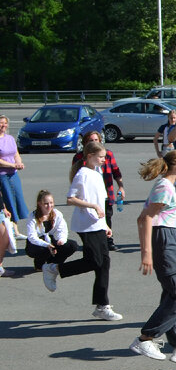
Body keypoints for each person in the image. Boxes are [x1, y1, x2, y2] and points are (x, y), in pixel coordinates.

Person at [129, 150, 176, 368]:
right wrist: (146, 252)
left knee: (173, 294)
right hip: (163, 239)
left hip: (166, 237)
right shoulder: (164, 187)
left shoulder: (166, 186)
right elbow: (145, 218)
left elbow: (141, 217)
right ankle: (146, 338)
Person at [43, 142, 121, 320]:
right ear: (90, 156)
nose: (103, 160)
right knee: (94, 261)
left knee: (104, 263)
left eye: (104, 157)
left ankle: (102, 305)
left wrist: (105, 224)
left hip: (97, 224)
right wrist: (92, 206)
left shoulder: (96, 173)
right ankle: (54, 268)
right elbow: (71, 198)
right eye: (101, 157)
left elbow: (100, 201)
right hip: (86, 224)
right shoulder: (83, 174)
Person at [70, 130, 124, 251]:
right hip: (89, 197)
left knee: (107, 216)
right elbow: (75, 181)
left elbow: (116, 171)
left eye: (96, 140)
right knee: (92, 218)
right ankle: (93, 243)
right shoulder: (80, 160)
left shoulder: (107, 154)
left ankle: (108, 240)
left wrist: (121, 186)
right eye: (91, 140)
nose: (94, 142)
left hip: (106, 193)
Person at [22, 190, 75, 272]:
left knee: (72, 245)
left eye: (51, 203)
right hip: (37, 243)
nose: (49, 206)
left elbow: (62, 230)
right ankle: (39, 265)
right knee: (44, 249)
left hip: (52, 239)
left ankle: (54, 263)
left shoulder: (57, 214)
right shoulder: (33, 216)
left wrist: (61, 240)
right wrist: (47, 245)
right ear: (40, 204)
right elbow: (32, 237)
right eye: (46, 203)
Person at [0, 116, 29, 222]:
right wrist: (12, 165)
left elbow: (15, 153)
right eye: (1, 123)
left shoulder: (10, 138)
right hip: (2, 175)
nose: (3, 125)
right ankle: (11, 229)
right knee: (8, 202)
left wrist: (19, 163)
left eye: (5, 123)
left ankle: (16, 230)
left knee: (17, 200)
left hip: (13, 174)